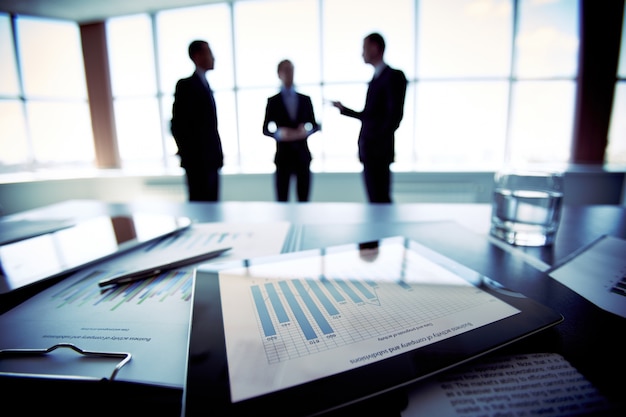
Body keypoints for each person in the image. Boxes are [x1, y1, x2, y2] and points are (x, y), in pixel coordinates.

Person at [332, 33, 407, 203]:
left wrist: (376, 140)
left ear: (374, 48)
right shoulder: (376, 79)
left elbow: (394, 116)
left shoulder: (393, 76)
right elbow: (370, 115)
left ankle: (387, 230)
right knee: (375, 199)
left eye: (364, 48)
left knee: (381, 200)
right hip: (370, 150)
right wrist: (344, 110)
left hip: (378, 150)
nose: (362, 53)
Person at [171, 40, 224, 202]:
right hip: (197, 163)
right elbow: (177, 125)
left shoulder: (206, 85)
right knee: (200, 206)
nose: (213, 57)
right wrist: (189, 155)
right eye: (209, 53)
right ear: (197, 56)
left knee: (213, 206)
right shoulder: (186, 85)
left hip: (212, 160)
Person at [263, 59, 320, 202]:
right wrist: (279, 134)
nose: (290, 73)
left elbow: (315, 125)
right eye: (286, 70)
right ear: (279, 73)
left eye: (292, 69)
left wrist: (305, 131)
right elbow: (265, 129)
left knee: (304, 200)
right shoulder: (273, 101)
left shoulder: (305, 99)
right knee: (282, 199)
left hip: (302, 157)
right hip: (283, 157)